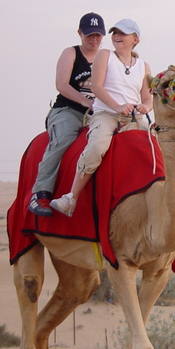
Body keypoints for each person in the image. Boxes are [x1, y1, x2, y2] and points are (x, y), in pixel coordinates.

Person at [50, 18, 153, 217]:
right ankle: (71, 197)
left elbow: (148, 98)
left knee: (158, 148)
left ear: (135, 39)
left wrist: (144, 106)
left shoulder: (144, 66)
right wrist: (117, 106)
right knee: (97, 146)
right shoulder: (105, 55)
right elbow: (96, 87)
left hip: (133, 118)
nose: (117, 36)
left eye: (123, 33)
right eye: (115, 33)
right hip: (106, 114)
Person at [28, 12, 106, 217]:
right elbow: (61, 84)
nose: (94, 39)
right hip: (69, 110)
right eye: (89, 35)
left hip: (99, 113)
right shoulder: (71, 53)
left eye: (98, 35)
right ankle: (40, 193)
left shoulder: (106, 58)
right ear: (80, 33)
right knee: (63, 139)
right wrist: (84, 101)